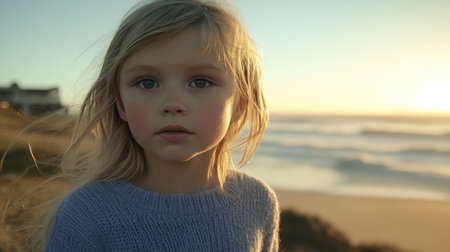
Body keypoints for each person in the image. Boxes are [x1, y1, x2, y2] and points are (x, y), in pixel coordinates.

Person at [44, 0, 279, 251]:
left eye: (200, 82)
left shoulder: (258, 202)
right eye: (147, 83)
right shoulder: (84, 217)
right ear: (120, 104)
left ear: (240, 104)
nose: (173, 104)